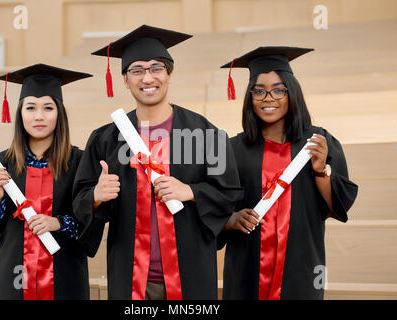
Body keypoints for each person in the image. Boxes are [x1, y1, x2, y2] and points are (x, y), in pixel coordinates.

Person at [73, 25, 243, 300]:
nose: (147, 77)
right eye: (137, 70)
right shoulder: (105, 140)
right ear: (125, 80)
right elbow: (79, 201)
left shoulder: (205, 134)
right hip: (130, 278)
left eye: (156, 68)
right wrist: (95, 196)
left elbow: (231, 194)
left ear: (170, 74)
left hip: (191, 277)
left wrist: (192, 191)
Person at [218, 46, 358, 300]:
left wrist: (320, 171)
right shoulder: (233, 149)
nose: (268, 98)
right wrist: (232, 218)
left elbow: (335, 207)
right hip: (246, 268)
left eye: (278, 89)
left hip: (300, 266)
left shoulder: (318, 142)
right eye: (259, 91)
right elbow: (216, 208)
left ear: (291, 93)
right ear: (250, 97)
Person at [0, 64, 100, 300]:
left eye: (48, 107)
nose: (39, 116)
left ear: (59, 113)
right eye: (30, 108)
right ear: (19, 113)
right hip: (14, 278)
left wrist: (58, 223)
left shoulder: (81, 162)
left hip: (65, 275)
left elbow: (92, 220)